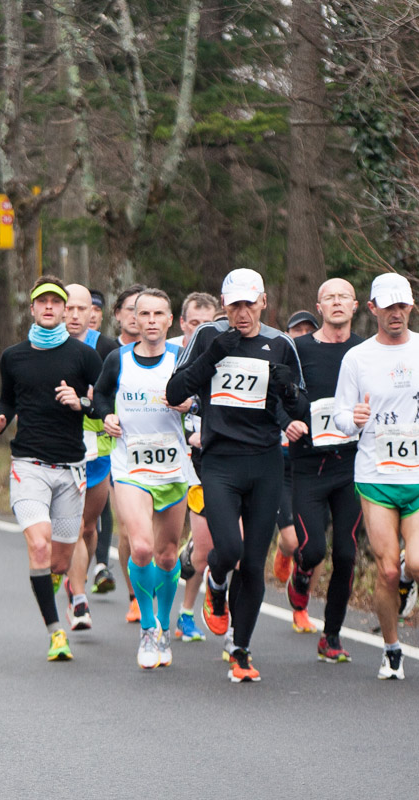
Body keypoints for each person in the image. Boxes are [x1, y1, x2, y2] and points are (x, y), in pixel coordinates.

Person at [166, 268, 308, 683]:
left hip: (265, 462)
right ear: (224, 304)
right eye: (234, 306)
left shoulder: (280, 344)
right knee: (228, 548)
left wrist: (289, 390)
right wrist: (212, 356)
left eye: (249, 304)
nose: (241, 313)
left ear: (263, 302)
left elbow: (301, 409)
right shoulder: (208, 336)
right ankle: (215, 582)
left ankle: (241, 650)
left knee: (253, 563)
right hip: (219, 461)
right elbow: (175, 393)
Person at [334, 273, 419, 679]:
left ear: (411, 306)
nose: (396, 313)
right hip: (376, 476)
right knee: (386, 570)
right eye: (388, 306)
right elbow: (340, 416)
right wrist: (353, 419)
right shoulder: (357, 358)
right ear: (373, 308)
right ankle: (391, 649)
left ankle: (409, 578)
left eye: (402, 305)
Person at [0, 276, 103, 661]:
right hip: (28, 464)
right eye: (43, 301)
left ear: (65, 310)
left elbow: (105, 404)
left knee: (61, 561)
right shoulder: (13, 357)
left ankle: (49, 586)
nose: (49, 307)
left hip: (71, 467)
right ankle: (56, 633)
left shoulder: (84, 356)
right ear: (32, 308)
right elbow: (7, 400)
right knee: (39, 544)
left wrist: (82, 404)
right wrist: (0, 420)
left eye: (56, 302)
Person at [95, 289, 195, 668]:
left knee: (167, 555)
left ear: (170, 320)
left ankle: (164, 627)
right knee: (141, 548)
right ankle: (149, 628)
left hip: (172, 468)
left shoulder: (182, 358)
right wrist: (106, 416)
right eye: (144, 314)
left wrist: (191, 404)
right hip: (130, 466)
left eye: (158, 314)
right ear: (133, 320)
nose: (151, 321)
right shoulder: (117, 359)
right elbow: (100, 396)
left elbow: (206, 399)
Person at [282, 282, 365, 663]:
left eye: (343, 297)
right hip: (308, 464)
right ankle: (301, 573)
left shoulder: (366, 350)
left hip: (351, 464)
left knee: (346, 554)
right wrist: (286, 422)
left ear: (355, 306)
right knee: (313, 548)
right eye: (329, 298)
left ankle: (331, 635)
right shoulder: (297, 349)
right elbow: (273, 393)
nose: (336, 303)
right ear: (319, 306)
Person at [61, 284, 119, 630]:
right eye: (68, 308)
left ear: (92, 313)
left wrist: (90, 405)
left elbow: (112, 397)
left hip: (97, 449)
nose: (74, 315)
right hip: (59, 446)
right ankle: (79, 599)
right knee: (70, 524)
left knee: (86, 526)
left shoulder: (108, 349)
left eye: (81, 308)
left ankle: (77, 575)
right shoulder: (45, 346)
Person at [168, 292, 219, 643]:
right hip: (171, 461)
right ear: (183, 323)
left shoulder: (225, 353)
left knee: (211, 550)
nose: (202, 329)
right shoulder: (169, 354)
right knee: (173, 548)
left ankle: (191, 612)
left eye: (208, 324)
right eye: (195, 323)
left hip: (209, 460)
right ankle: (175, 611)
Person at [272, 309, 322, 634]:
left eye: (308, 330)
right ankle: (282, 549)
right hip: (279, 463)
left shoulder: (320, 367)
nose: (303, 335)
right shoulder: (277, 364)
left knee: (314, 546)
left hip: (313, 463)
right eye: (297, 330)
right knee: (292, 541)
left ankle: (301, 609)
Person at [109, 284, 147, 622]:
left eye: (143, 309)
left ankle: (155, 588)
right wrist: (105, 415)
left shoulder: (171, 352)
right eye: (130, 309)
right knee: (127, 531)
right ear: (118, 314)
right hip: (119, 452)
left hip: (163, 454)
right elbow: (97, 396)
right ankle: (135, 595)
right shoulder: (109, 354)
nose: (137, 316)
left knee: (156, 538)